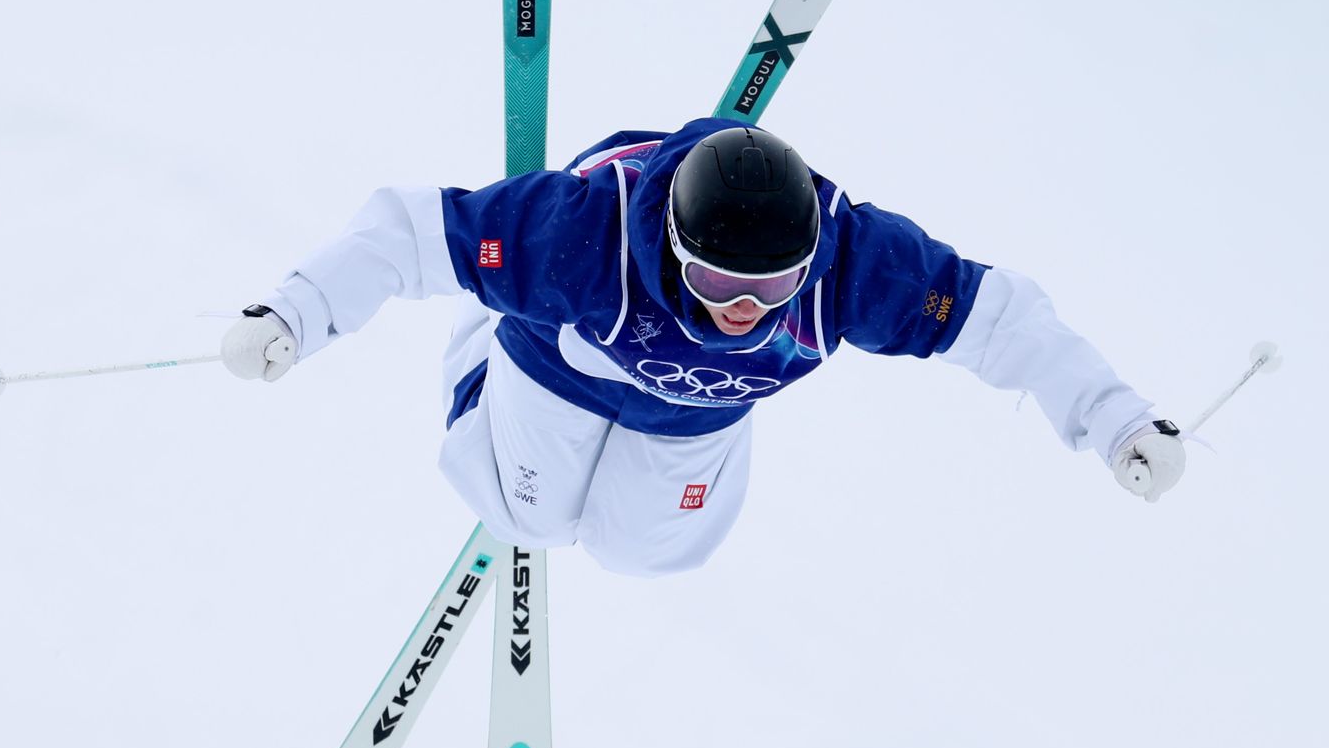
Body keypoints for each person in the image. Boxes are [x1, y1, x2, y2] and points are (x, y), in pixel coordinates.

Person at [220, 119, 1184, 576]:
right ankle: (480, 351)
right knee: (525, 518)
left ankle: (620, 473)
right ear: (673, 248)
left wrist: (1116, 421)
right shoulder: (581, 238)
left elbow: (1004, 323)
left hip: (699, 418)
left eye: (771, 289)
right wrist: (295, 315)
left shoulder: (855, 267)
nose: (742, 310)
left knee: (645, 555)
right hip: (563, 367)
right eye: (721, 284)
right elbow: (407, 233)